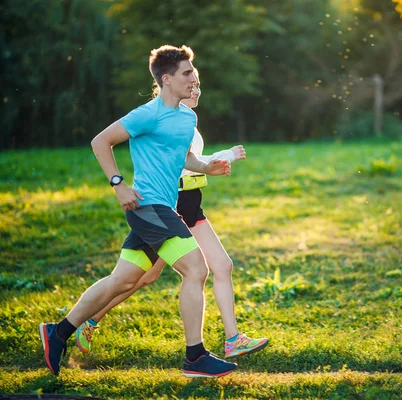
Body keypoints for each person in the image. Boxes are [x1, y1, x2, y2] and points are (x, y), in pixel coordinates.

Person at [39, 45, 237, 378]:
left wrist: (206, 166)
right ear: (166, 79)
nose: (194, 79)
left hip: (161, 207)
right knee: (196, 269)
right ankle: (195, 357)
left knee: (122, 281)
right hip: (147, 206)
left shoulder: (187, 117)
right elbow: (100, 142)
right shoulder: (147, 114)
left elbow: (184, 157)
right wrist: (119, 184)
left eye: (194, 73)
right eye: (187, 74)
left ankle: (57, 333)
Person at [74, 74, 268, 359]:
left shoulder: (188, 121)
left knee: (221, 266)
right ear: (169, 84)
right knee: (142, 277)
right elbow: (176, 167)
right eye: (191, 83)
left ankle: (233, 339)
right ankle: (89, 320)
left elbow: (194, 162)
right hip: (171, 207)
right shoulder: (168, 120)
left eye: (199, 84)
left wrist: (215, 163)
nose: (196, 89)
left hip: (191, 207)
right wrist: (228, 154)